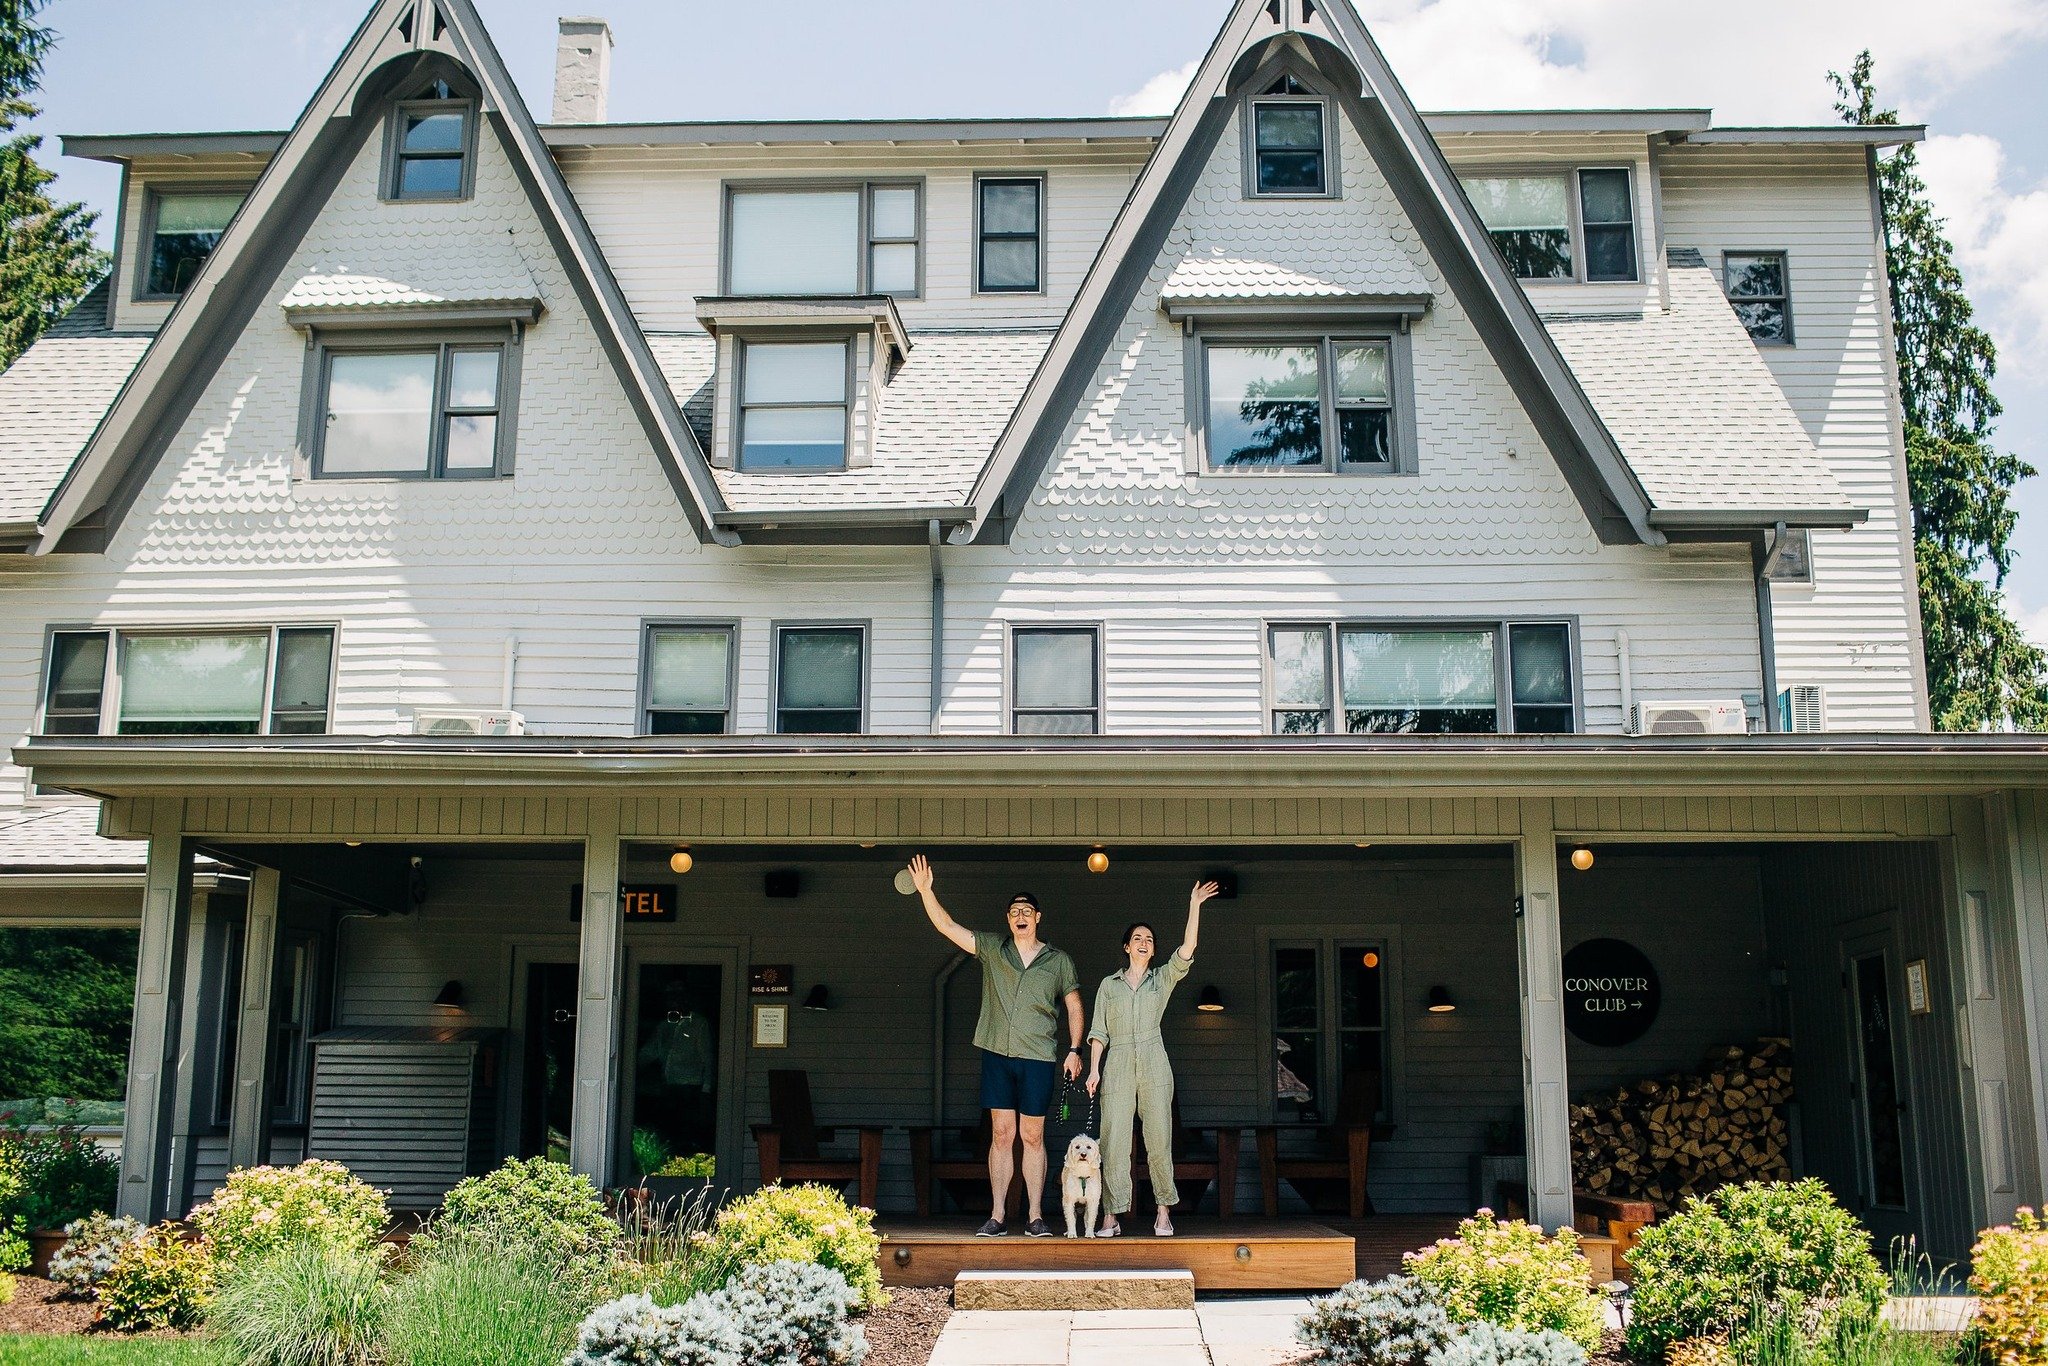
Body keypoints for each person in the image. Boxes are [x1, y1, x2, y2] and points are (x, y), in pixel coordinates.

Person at [908, 854, 1083, 1238]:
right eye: (1013, 911)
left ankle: (1036, 1216)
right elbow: (947, 925)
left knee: (1032, 1136)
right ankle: (998, 1215)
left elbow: (1073, 1004)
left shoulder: (1058, 961)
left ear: (1038, 917)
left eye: (1026, 910)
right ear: (1009, 919)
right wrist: (926, 891)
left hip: (1038, 1057)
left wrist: (1074, 1049)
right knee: (1001, 1134)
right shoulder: (992, 948)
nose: (1019, 915)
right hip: (996, 1054)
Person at [1085, 880, 1220, 1237]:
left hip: (1153, 1060)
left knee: (1159, 1138)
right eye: (1138, 939)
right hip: (1116, 1063)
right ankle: (1112, 1216)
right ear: (1127, 947)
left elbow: (1188, 947)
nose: (1145, 943)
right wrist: (1094, 1070)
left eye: (1150, 940)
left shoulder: (1162, 979)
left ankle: (1163, 1211)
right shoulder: (1108, 985)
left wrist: (1194, 904)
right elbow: (1099, 1032)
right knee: (1113, 1139)